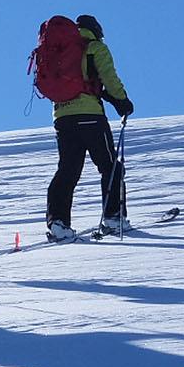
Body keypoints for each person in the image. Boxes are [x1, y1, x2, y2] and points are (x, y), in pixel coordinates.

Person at [45, 13, 133, 240]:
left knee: (68, 170)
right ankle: (114, 218)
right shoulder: (95, 48)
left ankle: (58, 223)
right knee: (110, 166)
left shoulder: (60, 50)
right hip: (91, 116)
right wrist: (122, 101)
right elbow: (109, 78)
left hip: (62, 117)